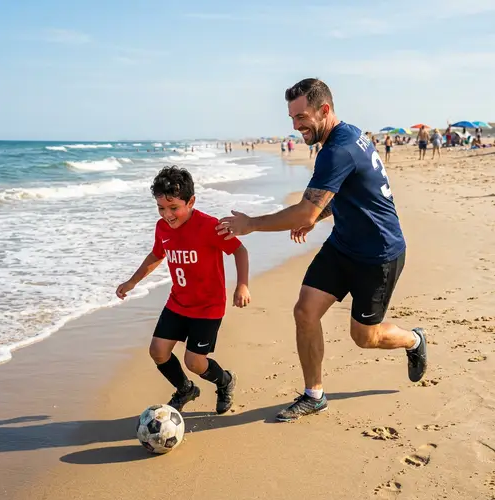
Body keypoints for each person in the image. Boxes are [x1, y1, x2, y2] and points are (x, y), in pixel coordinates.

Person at [215, 78, 427, 422]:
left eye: (301, 117)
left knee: (365, 336)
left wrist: (252, 223)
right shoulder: (346, 135)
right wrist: (320, 215)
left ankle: (414, 341)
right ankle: (314, 395)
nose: (296, 126)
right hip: (343, 244)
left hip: (378, 255)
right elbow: (344, 193)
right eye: (292, 118)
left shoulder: (337, 149)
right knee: (305, 312)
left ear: (324, 110)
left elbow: (304, 209)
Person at [116, 166, 251, 414]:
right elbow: (157, 254)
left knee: (195, 363)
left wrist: (242, 284)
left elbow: (239, 251)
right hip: (178, 303)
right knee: (157, 351)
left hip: (208, 308)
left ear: (191, 201)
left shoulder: (210, 226)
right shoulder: (162, 227)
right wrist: (133, 281)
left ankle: (225, 381)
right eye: (161, 208)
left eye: (173, 207)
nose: (167, 214)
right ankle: (185, 389)